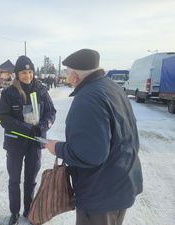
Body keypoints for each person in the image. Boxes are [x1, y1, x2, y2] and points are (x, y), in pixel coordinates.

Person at [44, 49, 143, 225]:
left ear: (74, 76)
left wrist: (57, 148)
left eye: (67, 75)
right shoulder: (111, 87)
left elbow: (90, 154)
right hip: (119, 183)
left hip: (101, 195)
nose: (68, 79)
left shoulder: (88, 98)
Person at [0, 55, 56, 225]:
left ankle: (29, 209)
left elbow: (51, 112)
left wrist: (43, 126)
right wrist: (27, 129)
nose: (27, 76)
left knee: (31, 179)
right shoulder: (9, 92)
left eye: (30, 72)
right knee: (14, 179)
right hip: (15, 143)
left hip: (35, 142)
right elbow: (4, 117)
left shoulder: (41, 90)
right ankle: (14, 212)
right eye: (23, 72)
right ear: (17, 74)